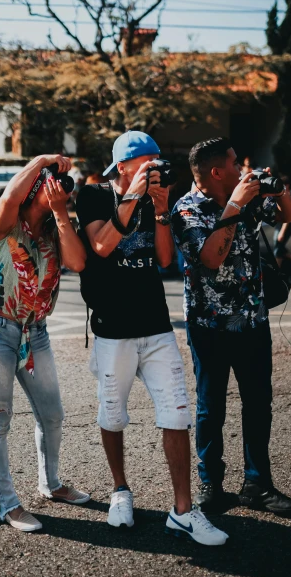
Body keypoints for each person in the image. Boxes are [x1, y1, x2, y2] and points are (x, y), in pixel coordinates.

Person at [75, 130, 228, 546]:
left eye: (159, 161)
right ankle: (120, 490)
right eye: (148, 162)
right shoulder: (92, 196)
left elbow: (163, 259)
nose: (156, 169)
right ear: (123, 166)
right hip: (111, 330)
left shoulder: (155, 199)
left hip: (156, 327)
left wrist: (160, 211)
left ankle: (182, 510)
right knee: (113, 413)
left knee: (177, 413)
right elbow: (102, 246)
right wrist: (132, 198)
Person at [172, 137, 291, 516]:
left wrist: (278, 188)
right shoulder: (186, 209)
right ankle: (211, 483)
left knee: (259, 402)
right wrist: (235, 205)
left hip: (253, 321)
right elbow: (211, 258)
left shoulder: (248, 198)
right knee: (211, 406)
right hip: (208, 325)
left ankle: (257, 484)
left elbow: (290, 215)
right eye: (232, 164)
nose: (240, 170)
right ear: (215, 172)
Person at [0, 154, 90, 533]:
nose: (60, 190)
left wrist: (61, 211)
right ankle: (8, 503)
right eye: (50, 185)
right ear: (33, 189)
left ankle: (50, 484)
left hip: (34, 332)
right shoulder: (7, 225)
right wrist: (40, 161)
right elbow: (7, 200)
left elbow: (78, 262)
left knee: (52, 414)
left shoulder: (56, 229)